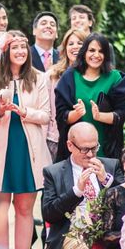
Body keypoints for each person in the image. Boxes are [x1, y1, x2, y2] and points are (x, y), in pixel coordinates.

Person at [0, 30, 51, 249]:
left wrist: (24, 112)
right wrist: (0, 110)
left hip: (28, 151)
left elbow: (46, 115)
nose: (20, 52)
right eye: (15, 47)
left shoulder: (39, 78)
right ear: (5, 51)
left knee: (24, 209)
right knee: (0, 211)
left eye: (23, 47)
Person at [41, 122, 121, 249]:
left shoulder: (111, 166)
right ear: (70, 145)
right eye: (84, 149)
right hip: (71, 235)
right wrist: (76, 191)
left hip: (109, 236)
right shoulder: (54, 173)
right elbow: (49, 214)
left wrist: (106, 180)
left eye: (94, 148)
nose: (90, 154)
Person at [54, 33, 125, 161]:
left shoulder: (115, 78)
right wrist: (77, 114)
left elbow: (121, 114)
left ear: (106, 54)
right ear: (84, 52)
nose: (96, 55)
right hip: (76, 151)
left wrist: (100, 116)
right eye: (92, 50)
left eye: (101, 51)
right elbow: (61, 116)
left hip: (106, 149)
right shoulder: (69, 77)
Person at [45, 28, 86, 160]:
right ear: (65, 48)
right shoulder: (52, 75)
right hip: (55, 138)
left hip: (85, 140)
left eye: (80, 43)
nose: (75, 47)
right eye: (71, 43)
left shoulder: (94, 75)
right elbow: (46, 108)